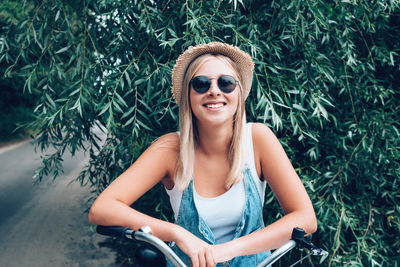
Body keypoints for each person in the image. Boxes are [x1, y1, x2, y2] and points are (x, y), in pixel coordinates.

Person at [88, 42, 317, 267]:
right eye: (200, 84)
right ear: (188, 95)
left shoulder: (258, 139)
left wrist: (227, 250)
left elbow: (305, 218)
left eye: (226, 83)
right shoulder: (169, 150)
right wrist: (176, 233)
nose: (214, 90)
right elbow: (103, 209)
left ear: (239, 94)